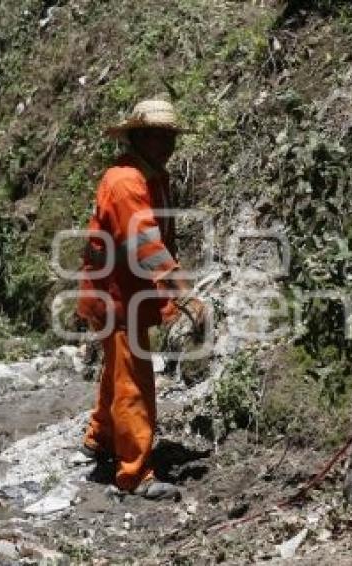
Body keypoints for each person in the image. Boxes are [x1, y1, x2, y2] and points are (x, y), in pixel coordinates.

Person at [76, 99, 205, 500]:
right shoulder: (127, 182)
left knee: (120, 368)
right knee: (133, 380)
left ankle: (99, 438)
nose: (165, 144)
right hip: (116, 295)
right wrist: (181, 291)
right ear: (137, 137)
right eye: (156, 135)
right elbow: (145, 241)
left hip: (125, 291)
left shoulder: (151, 176)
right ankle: (134, 473)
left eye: (169, 136)